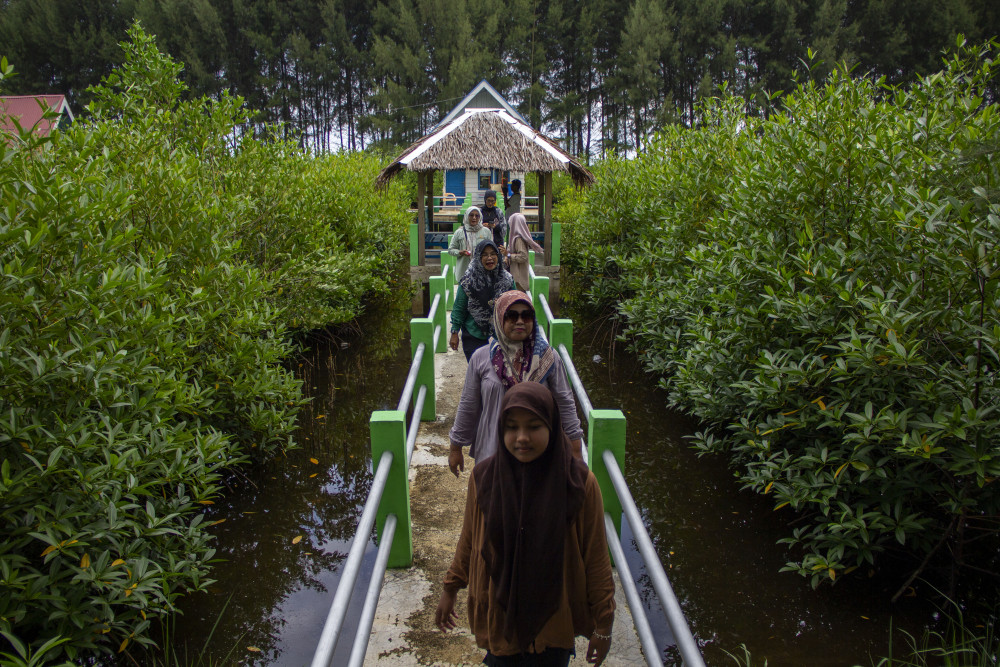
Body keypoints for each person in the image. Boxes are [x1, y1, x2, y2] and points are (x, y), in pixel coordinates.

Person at [436, 382, 615, 666]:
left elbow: (595, 556)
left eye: (534, 426)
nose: (521, 437)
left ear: (553, 427)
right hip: (500, 610)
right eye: (511, 427)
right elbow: (470, 537)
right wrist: (450, 587)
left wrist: (604, 624)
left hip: (554, 617)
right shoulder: (485, 477)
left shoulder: (578, 484)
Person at [449, 290, 584, 473]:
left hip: (540, 452)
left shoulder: (548, 358)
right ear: (499, 319)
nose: (520, 321)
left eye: (526, 315)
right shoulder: (481, 358)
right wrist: (456, 447)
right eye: (511, 316)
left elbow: (565, 403)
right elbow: (469, 404)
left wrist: (576, 451)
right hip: (493, 450)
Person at [450, 240, 515, 362]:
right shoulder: (468, 281)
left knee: (500, 373)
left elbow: (516, 303)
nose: (489, 258)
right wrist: (454, 332)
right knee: (479, 371)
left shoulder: (507, 280)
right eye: (484, 255)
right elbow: (459, 307)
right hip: (473, 332)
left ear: (498, 256)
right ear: (478, 258)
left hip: (501, 334)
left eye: (492, 254)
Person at [448, 206, 493, 281]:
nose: (474, 218)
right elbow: (450, 250)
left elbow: (491, 250)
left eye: (477, 215)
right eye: (471, 215)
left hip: (482, 271)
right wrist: (460, 252)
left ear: (480, 217)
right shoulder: (459, 232)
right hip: (464, 271)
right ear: (466, 216)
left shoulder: (486, 232)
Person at [505, 213, 543, 291]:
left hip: (519, 280)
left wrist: (508, 255)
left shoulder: (518, 240)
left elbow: (523, 257)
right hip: (518, 278)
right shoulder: (515, 238)